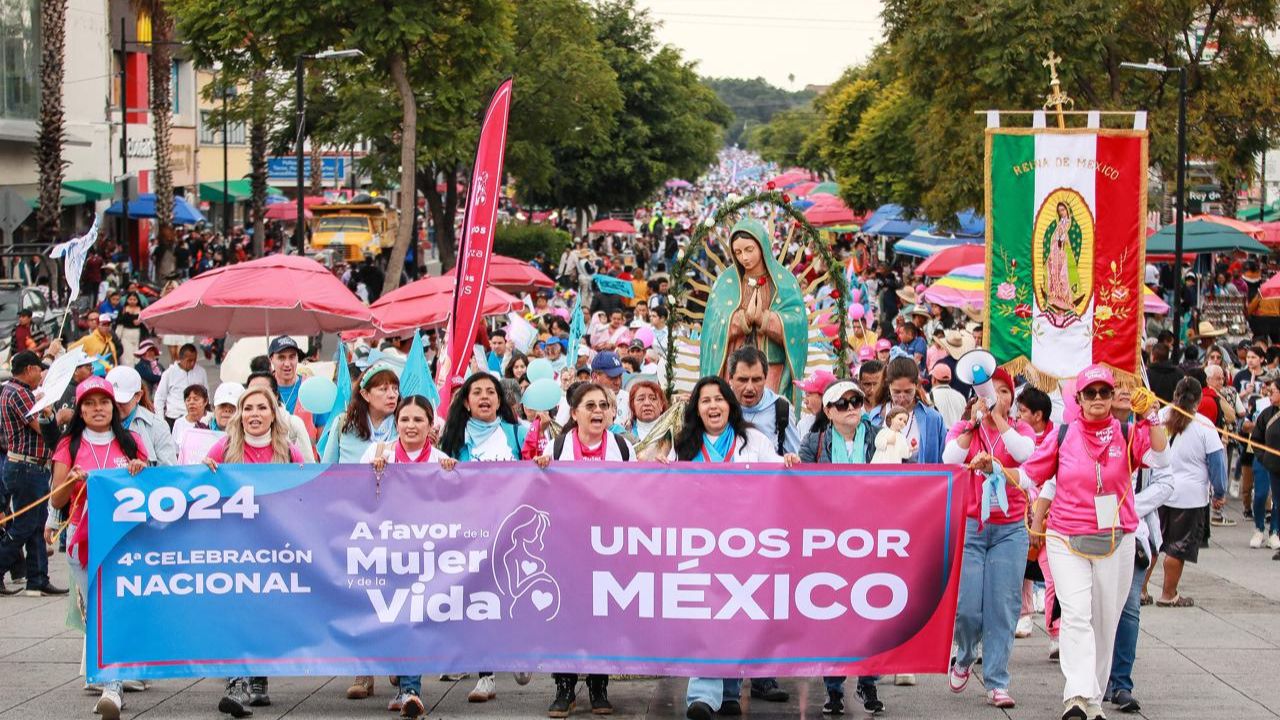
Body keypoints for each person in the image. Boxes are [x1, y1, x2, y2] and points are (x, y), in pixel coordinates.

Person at [1000, 365, 1168, 720]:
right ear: (1078, 399)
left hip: (1115, 538)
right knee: (1076, 615)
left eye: (1103, 393)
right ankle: (1076, 695)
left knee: (1105, 621)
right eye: (1089, 393)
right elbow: (1030, 475)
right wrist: (995, 469)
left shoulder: (1126, 431)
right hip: (1066, 538)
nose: (1096, 399)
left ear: (1111, 397)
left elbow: (1161, 457)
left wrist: (1151, 415)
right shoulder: (1062, 435)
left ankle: (1092, 697)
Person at [675, 376, 797, 720]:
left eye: (719, 399)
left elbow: (777, 480)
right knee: (706, 616)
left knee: (735, 614)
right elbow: (667, 490)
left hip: (744, 544)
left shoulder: (753, 440)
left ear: (730, 404)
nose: (713, 406)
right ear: (696, 409)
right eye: (705, 401)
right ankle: (702, 694)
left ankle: (730, 689)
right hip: (698, 545)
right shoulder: (684, 445)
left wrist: (787, 465)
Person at [47, 376, 148, 719]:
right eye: (89, 403)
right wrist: (72, 480)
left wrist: (139, 469)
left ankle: (113, 683)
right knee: (99, 611)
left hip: (126, 540)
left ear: (114, 405)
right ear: (80, 410)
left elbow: (151, 486)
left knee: (117, 608)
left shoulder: (131, 441)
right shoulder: (70, 445)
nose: (97, 409)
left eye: (103, 402)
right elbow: (57, 498)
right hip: (83, 540)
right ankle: (112, 682)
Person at [205, 386, 307, 717]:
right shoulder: (224, 447)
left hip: (274, 547)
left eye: (262, 408)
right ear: (239, 414)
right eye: (248, 408)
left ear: (273, 414)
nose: (255, 414)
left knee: (265, 612)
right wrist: (204, 470)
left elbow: (307, 492)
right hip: (235, 546)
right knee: (238, 610)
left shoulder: (288, 452)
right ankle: (236, 683)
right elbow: (199, 486)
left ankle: (259, 677)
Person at [535, 383, 634, 717]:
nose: (597, 411)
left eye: (603, 405)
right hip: (566, 546)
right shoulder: (557, 446)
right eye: (589, 405)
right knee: (566, 615)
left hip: (608, 546)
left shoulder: (622, 447)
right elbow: (539, 494)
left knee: (601, 615)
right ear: (574, 412)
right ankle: (564, 687)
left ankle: (598, 685)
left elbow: (637, 494)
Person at [359, 395, 458, 719]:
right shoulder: (376, 455)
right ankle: (401, 676)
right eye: (405, 419)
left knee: (412, 616)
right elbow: (353, 498)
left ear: (431, 426)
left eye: (418, 420)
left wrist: (451, 476)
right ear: (395, 423)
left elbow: (455, 505)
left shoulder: (440, 460)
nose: (411, 426)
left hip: (424, 554)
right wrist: (373, 475)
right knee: (390, 617)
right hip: (384, 552)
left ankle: (411, 689)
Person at [942, 367, 1036, 709]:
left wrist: (999, 422)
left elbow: (1026, 455)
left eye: (1004, 391)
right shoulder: (966, 428)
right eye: (988, 391)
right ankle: (965, 655)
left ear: (1012, 399)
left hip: (1010, 529)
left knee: (1003, 607)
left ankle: (997, 681)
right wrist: (973, 424)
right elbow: (949, 458)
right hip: (970, 527)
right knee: (967, 607)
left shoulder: (1020, 429)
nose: (996, 396)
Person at [797, 380, 884, 716]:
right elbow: (801, 484)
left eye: (857, 401)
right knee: (831, 611)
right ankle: (833, 688)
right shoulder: (815, 443)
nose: (851, 408)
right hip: (829, 539)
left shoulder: (880, 437)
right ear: (828, 410)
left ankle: (869, 680)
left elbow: (905, 473)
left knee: (872, 610)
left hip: (872, 536)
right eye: (843, 403)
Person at [699, 217, 808, 401]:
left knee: (769, 411)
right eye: (738, 252)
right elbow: (713, 326)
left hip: (772, 365)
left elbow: (797, 323)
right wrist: (741, 320)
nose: (745, 258)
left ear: (762, 246)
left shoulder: (784, 282)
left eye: (749, 250)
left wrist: (767, 320)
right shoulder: (727, 283)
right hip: (735, 367)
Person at [1151, 377, 1226, 607]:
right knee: (1178, 546)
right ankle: (1168, 593)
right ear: (1199, 400)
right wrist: (1219, 493)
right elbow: (1217, 464)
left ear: (1175, 394)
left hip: (1158, 491)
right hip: (1190, 496)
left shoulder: (1160, 417)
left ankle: (1141, 591)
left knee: (1153, 543)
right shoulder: (1204, 425)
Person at [0, 351, 65, 596]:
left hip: (29, 466)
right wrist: (56, 415)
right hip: (26, 466)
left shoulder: (13, 391)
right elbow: (40, 427)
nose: (41, 373)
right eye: (39, 369)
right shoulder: (20, 394)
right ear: (28, 370)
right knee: (25, 525)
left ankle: (37, 579)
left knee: (37, 525)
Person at [869, 357, 946, 463]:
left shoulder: (933, 419)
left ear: (916, 385)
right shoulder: (876, 416)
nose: (902, 398)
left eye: (908, 391)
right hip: (884, 478)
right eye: (896, 392)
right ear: (889, 386)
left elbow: (943, 459)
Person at [320, 362, 399, 464]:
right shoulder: (344, 423)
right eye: (383, 389)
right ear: (365, 394)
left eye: (395, 389)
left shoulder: (404, 426)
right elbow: (327, 470)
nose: (392, 395)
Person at [728, 346, 800, 457]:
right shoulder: (720, 409)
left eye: (756, 380)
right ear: (731, 379)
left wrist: (791, 458)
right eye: (743, 380)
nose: (750, 388)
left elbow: (796, 458)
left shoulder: (781, 409)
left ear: (765, 378)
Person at [107, 366, 178, 467]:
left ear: (138, 396)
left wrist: (146, 471)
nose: (116, 405)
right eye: (111, 400)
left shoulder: (157, 426)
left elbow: (169, 473)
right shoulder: (95, 425)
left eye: (122, 401)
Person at [153, 343, 208, 426]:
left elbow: (207, 395)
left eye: (194, 360)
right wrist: (161, 421)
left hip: (196, 418)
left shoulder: (201, 372)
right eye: (189, 360)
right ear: (181, 359)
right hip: (174, 418)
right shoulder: (169, 373)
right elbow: (159, 398)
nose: (192, 363)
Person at [624, 379, 669, 457]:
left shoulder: (674, 432)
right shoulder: (624, 435)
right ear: (632, 406)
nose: (647, 403)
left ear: (662, 405)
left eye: (653, 398)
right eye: (641, 399)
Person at [794, 369, 838, 437]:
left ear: (825, 397)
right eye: (805, 395)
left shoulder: (842, 427)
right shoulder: (804, 425)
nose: (805, 401)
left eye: (808, 395)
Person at [928, 363, 967, 430]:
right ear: (949, 380)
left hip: (939, 437)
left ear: (934, 379)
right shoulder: (960, 397)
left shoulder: (928, 397)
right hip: (957, 437)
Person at [115, 291, 145, 360]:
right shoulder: (123, 309)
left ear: (137, 300)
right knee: (126, 354)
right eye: (130, 299)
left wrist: (140, 322)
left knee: (136, 354)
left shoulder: (141, 309)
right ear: (127, 300)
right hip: (126, 333)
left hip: (137, 333)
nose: (132, 301)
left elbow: (146, 322)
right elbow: (118, 321)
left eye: (134, 300)